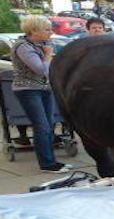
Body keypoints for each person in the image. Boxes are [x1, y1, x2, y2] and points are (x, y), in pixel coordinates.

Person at [11, 15, 73, 173]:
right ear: (33, 31)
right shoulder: (23, 46)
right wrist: (48, 55)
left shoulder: (41, 44)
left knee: (49, 125)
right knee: (42, 126)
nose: (51, 32)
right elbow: (41, 70)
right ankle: (47, 164)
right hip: (28, 90)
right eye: (47, 29)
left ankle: (51, 161)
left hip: (44, 90)